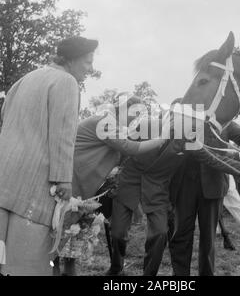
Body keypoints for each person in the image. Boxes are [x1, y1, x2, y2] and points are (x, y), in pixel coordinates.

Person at [107, 107, 240, 276]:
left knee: (161, 234)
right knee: (121, 234)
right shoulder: (147, 125)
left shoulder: (188, 138)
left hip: (158, 188)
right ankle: (121, 267)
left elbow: (213, 158)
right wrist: (108, 173)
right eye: (189, 122)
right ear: (175, 117)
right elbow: (120, 147)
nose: (193, 128)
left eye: (195, 124)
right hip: (134, 182)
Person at [0, 36, 98, 275]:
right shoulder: (66, 82)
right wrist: (63, 179)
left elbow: (5, 118)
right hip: (35, 184)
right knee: (25, 263)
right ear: (72, 60)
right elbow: (63, 135)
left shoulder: (26, 78)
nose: (90, 68)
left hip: (4, 176)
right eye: (87, 62)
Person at [53, 93, 169, 275]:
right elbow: (131, 148)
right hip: (70, 180)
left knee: (74, 232)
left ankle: (68, 271)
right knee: (57, 232)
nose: (135, 118)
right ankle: (51, 268)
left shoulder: (118, 129)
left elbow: (123, 157)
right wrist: (162, 139)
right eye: (134, 113)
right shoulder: (104, 122)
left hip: (86, 188)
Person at [168, 121, 240, 276]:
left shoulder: (224, 120)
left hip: (213, 187)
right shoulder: (187, 118)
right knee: (180, 236)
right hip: (184, 186)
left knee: (208, 239)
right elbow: (205, 154)